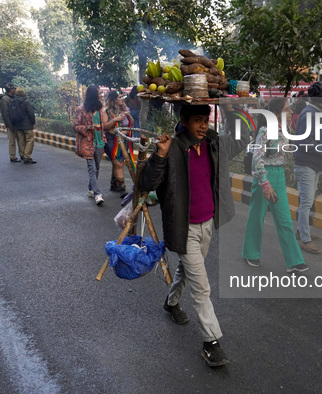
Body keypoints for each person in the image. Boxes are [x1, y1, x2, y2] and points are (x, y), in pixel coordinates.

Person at [138, 104, 250, 367]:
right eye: (197, 120)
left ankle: (171, 301)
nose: (203, 126)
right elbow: (146, 184)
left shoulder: (213, 144)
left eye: (206, 120)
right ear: (184, 121)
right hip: (183, 227)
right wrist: (159, 156)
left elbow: (243, 138)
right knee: (202, 286)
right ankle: (211, 344)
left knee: (187, 271)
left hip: (207, 223)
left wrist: (232, 110)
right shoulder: (172, 148)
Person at [242, 98, 308, 272]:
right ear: (277, 113)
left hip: (279, 176)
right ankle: (251, 253)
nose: (291, 112)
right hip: (264, 176)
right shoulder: (265, 131)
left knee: (285, 220)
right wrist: (265, 183)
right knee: (257, 217)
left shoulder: (285, 131)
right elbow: (257, 159)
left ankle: (294, 261)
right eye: (287, 109)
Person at [293, 82, 322, 254]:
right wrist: (319, 149)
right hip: (306, 163)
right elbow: (301, 141)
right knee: (306, 203)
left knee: (307, 201)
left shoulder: (314, 112)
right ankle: (305, 240)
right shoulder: (309, 113)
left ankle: (302, 231)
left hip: (312, 164)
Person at [73, 86, 107, 206]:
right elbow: (75, 125)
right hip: (87, 143)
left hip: (99, 142)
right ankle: (97, 194)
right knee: (92, 168)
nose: (100, 95)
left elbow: (103, 126)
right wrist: (89, 128)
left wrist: (103, 138)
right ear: (93, 95)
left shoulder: (99, 108)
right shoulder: (81, 109)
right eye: (98, 93)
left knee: (96, 168)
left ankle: (91, 189)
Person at [101, 90, 132, 195]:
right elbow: (104, 126)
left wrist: (128, 115)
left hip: (124, 139)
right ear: (113, 99)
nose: (121, 98)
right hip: (111, 139)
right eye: (119, 97)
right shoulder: (106, 111)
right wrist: (115, 120)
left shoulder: (124, 109)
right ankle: (122, 188)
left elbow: (131, 123)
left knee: (119, 163)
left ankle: (114, 184)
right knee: (118, 163)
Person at [0, 84, 23, 161]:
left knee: (20, 140)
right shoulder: (5, 99)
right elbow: (5, 114)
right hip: (11, 123)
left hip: (17, 122)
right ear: (10, 90)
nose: (14, 90)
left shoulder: (14, 97)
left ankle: (22, 155)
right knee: (12, 141)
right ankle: (12, 156)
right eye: (13, 89)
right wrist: (9, 125)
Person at [13, 88, 37, 164]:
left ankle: (22, 155)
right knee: (30, 140)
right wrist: (33, 122)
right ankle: (27, 156)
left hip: (18, 125)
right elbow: (30, 113)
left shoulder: (13, 102)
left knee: (21, 141)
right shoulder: (26, 102)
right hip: (27, 125)